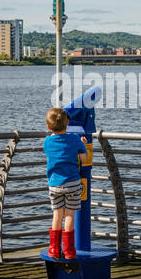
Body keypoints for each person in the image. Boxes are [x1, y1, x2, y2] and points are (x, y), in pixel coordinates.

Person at [43, 107, 88, 260]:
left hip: (54, 185)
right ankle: (69, 251)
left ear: (48, 127)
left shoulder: (47, 142)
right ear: (68, 122)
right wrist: (83, 144)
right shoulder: (76, 140)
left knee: (57, 215)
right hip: (73, 185)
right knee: (69, 216)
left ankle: (54, 249)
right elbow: (84, 160)